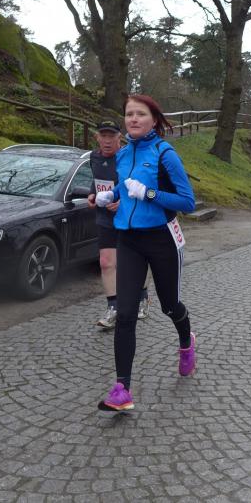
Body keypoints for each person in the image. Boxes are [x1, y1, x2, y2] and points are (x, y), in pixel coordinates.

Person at [94, 94, 196, 411]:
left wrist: (149, 193)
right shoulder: (123, 154)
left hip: (162, 239)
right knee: (125, 313)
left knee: (169, 305)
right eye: (129, 114)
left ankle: (187, 341)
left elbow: (188, 202)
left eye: (140, 114)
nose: (134, 119)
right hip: (129, 240)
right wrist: (110, 195)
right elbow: (125, 188)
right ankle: (122, 388)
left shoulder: (165, 154)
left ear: (153, 120)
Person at [87, 121, 150, 330]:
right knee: (106, 263)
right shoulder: (94, 157)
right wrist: (92, 195)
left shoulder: (128, 157)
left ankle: (142, 297)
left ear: (119, 138)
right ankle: (113, 308)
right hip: (105, 218)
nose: (107, 141)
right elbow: (96, 181)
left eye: (111, 137)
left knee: (133, 262)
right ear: (97, 137)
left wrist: (123, 202)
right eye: (103, 136)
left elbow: (140, 185)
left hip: (129, 216)